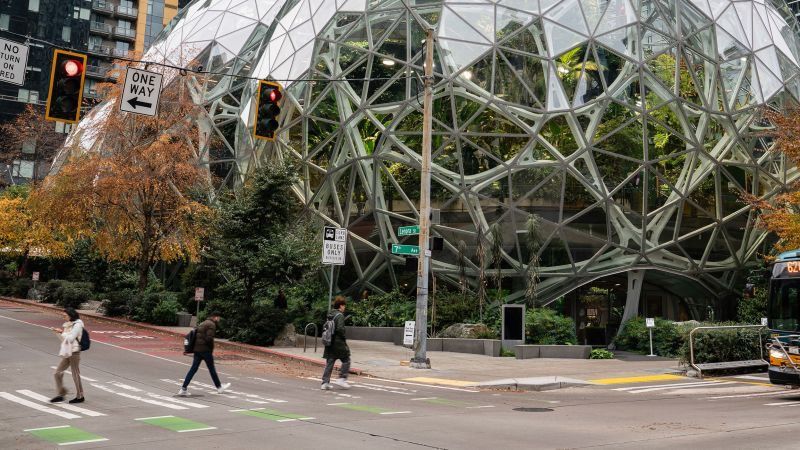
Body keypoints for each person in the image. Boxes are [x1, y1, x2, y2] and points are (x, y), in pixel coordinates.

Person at [178, 311, 231, 396]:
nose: (219, 319)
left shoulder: (203, 323)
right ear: (215, 317)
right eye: (218, 317)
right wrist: (210, 349)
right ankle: (219, 387)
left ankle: (183, 388)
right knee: (212, 369)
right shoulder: (212, 325)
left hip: (197, 350)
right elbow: (209, 339)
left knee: (193, 369)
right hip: (206, 350)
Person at [50, 307, 85, 404]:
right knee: (57, 373)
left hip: (75, 352)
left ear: (70, 315)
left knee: (75, 374)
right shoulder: (67, 325)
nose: (63, 317)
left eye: (65, 315)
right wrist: (57, 333)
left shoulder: (77, 325)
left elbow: (70, 338)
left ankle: (80, 396)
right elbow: (64, 340)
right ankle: (61, 394)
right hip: (67, 351)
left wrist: (62, 332)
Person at [321, 296, 351, 390]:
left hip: (329, 341)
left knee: (330, 362)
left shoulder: (330, 314)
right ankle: (342, 378)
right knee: (346, 359)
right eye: (344, 305)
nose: (344, 307)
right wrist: (344, 337)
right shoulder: (340, 315)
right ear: (341, 306)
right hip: (338, 343)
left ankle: (325, 383)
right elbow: (340, 329)